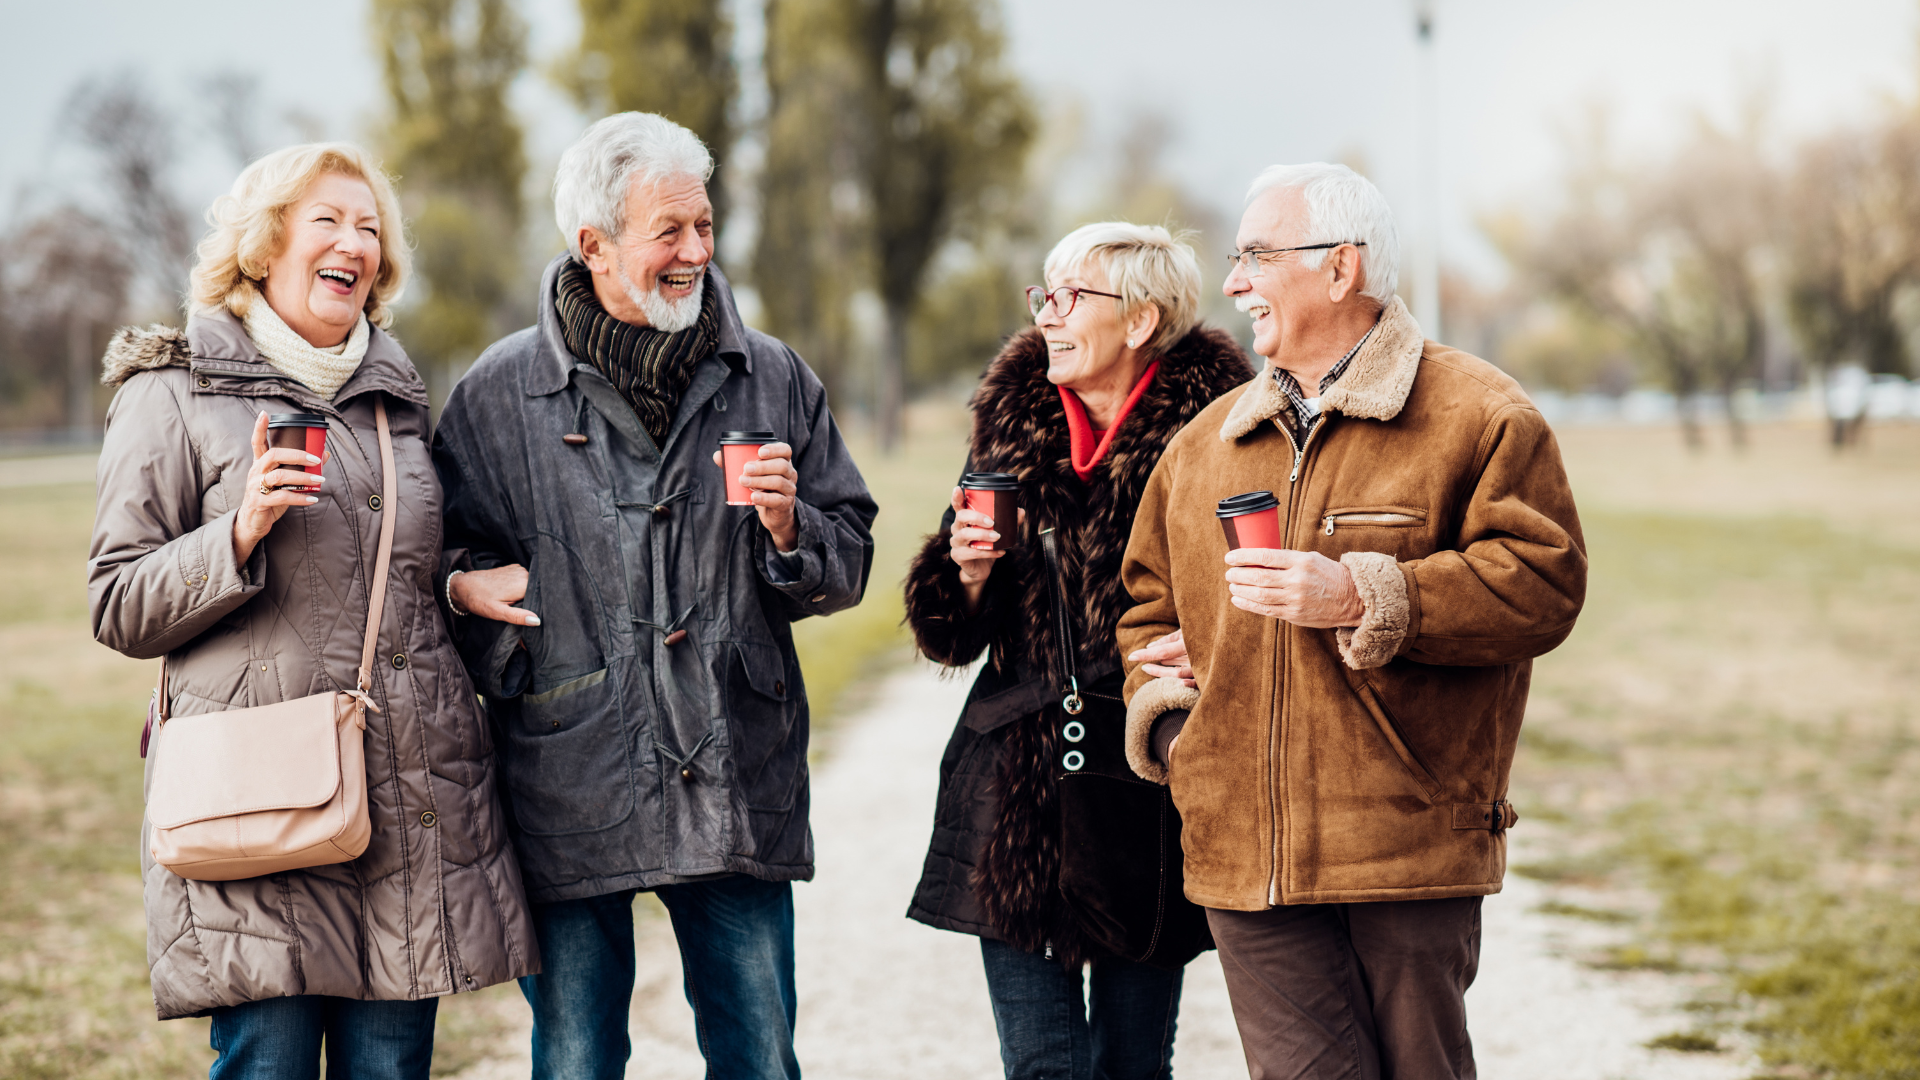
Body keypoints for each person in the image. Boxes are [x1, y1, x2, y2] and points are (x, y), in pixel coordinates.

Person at [1117, 164, 1587, 1080]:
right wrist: (1180, 734)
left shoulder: (1481, 416)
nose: (1234, 281)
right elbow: (1146, 610)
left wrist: (1367, 596)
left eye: (1256, 255)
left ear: (1342, 269)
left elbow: (1543, 583)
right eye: (1236, 256)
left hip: (1407, 845)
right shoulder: (1200, 447)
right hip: (1243, 854)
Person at [431, 111, 876, 1080]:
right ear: (591, 244)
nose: (696, 253)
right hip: (569, 776)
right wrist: (471, 594)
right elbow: (436, 572)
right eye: (668, 232)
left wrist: (793, 531)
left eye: (704, 227)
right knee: (578, 1062)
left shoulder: (772, 376)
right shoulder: (495, 396)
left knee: (760, 1059)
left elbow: (851, 557)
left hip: (734, 778)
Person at [89, 142, 538, 1079]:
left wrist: (457, 584)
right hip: (258, 811)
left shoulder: (397, 404)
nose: (354, 242)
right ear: (263, 247)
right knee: (272, 1062)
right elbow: (118, 602)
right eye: (327, 219)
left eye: (369, 227)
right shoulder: (172, 393)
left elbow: (394, 566)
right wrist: (241, 529)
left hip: (403, 807)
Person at [903, 222, 1253, 1080]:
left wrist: (1209, 651)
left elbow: (1253, 591)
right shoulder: (1012, 425)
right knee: (1042, 1067)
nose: (1048, 317)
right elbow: (949, 633)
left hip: (1149, 777)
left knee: (1134, 1066)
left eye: (1072, 299)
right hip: (1017, 787)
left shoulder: (1221, 436)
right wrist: (968, 575)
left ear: (1140, 321)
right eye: (1044, 297)